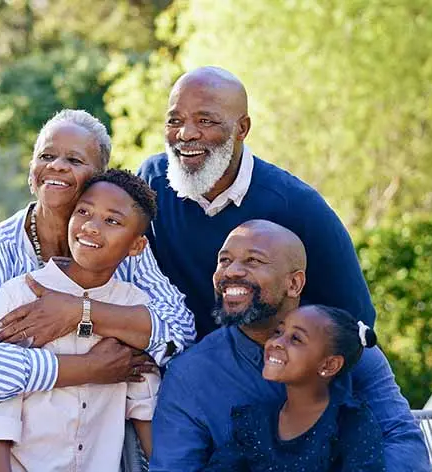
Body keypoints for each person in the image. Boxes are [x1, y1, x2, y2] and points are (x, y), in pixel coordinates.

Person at [0, 110, 195, 407]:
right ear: (31, 171)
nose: (57, 166)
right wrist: (88, 368)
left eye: (74, 160)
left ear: (100, 178)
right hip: (19, 443)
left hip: (107, 435)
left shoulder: (123, 247)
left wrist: (80, 312)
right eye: (46, 156)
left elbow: (180, 334)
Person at [149, 220, 429, 471]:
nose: (231, 271)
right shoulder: (191, 375)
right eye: (224, 260)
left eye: (253, 261)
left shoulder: (345, 346)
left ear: (294, 283)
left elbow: (401, 439)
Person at [137, 66, 375, 340]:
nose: (185, 134)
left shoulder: (297, 206)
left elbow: (353, 317)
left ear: (242, 128)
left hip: (271, 367)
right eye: (174, 121)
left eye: (206, 121)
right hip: (176, 363)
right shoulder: (152, 182)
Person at [0, 169, 160, 472]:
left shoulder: (133, 306)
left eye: (112, 221)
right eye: (83, 211)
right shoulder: (21, 294)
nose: (91, 227)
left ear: (136, 246)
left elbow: (143, 405)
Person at [204, 305, 385, 471]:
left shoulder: (350, 423)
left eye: (296, 339)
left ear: (329, 365)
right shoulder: (255, 423)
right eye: (278, 332)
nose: (276, 342)